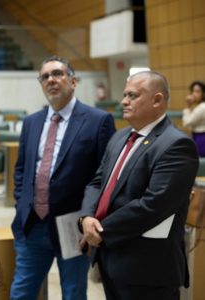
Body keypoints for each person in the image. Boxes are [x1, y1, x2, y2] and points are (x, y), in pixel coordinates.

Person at [79, 71, 199, 300]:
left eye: (133, 95)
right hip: (111, 259)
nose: (123, 101)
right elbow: (97, 182)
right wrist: (86, 218)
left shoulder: (176, 145)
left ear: (157, 100)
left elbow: (153, 206)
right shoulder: (120, 136)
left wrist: (100, 231)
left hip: (147, 270)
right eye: (125, 95)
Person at [10, 55, 116, 300]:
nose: (51, 80)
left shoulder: (98, 121)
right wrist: (21, 203)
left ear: (73, 80)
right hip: (32, 224)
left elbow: (105, 177)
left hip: (73, 226)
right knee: (21, 292)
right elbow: (21, 170)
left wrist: (90, 219)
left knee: (73, 292)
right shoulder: (31, 122)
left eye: (57, 74)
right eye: (45, 76)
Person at [183, 80, 205, 156]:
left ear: (203, 93)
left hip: (201, 138)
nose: (193, 94)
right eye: (193, 91)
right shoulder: (201, 106)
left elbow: (186, 123)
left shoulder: (202, 107)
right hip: (198, 136)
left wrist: (188, 106)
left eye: (197, 91)